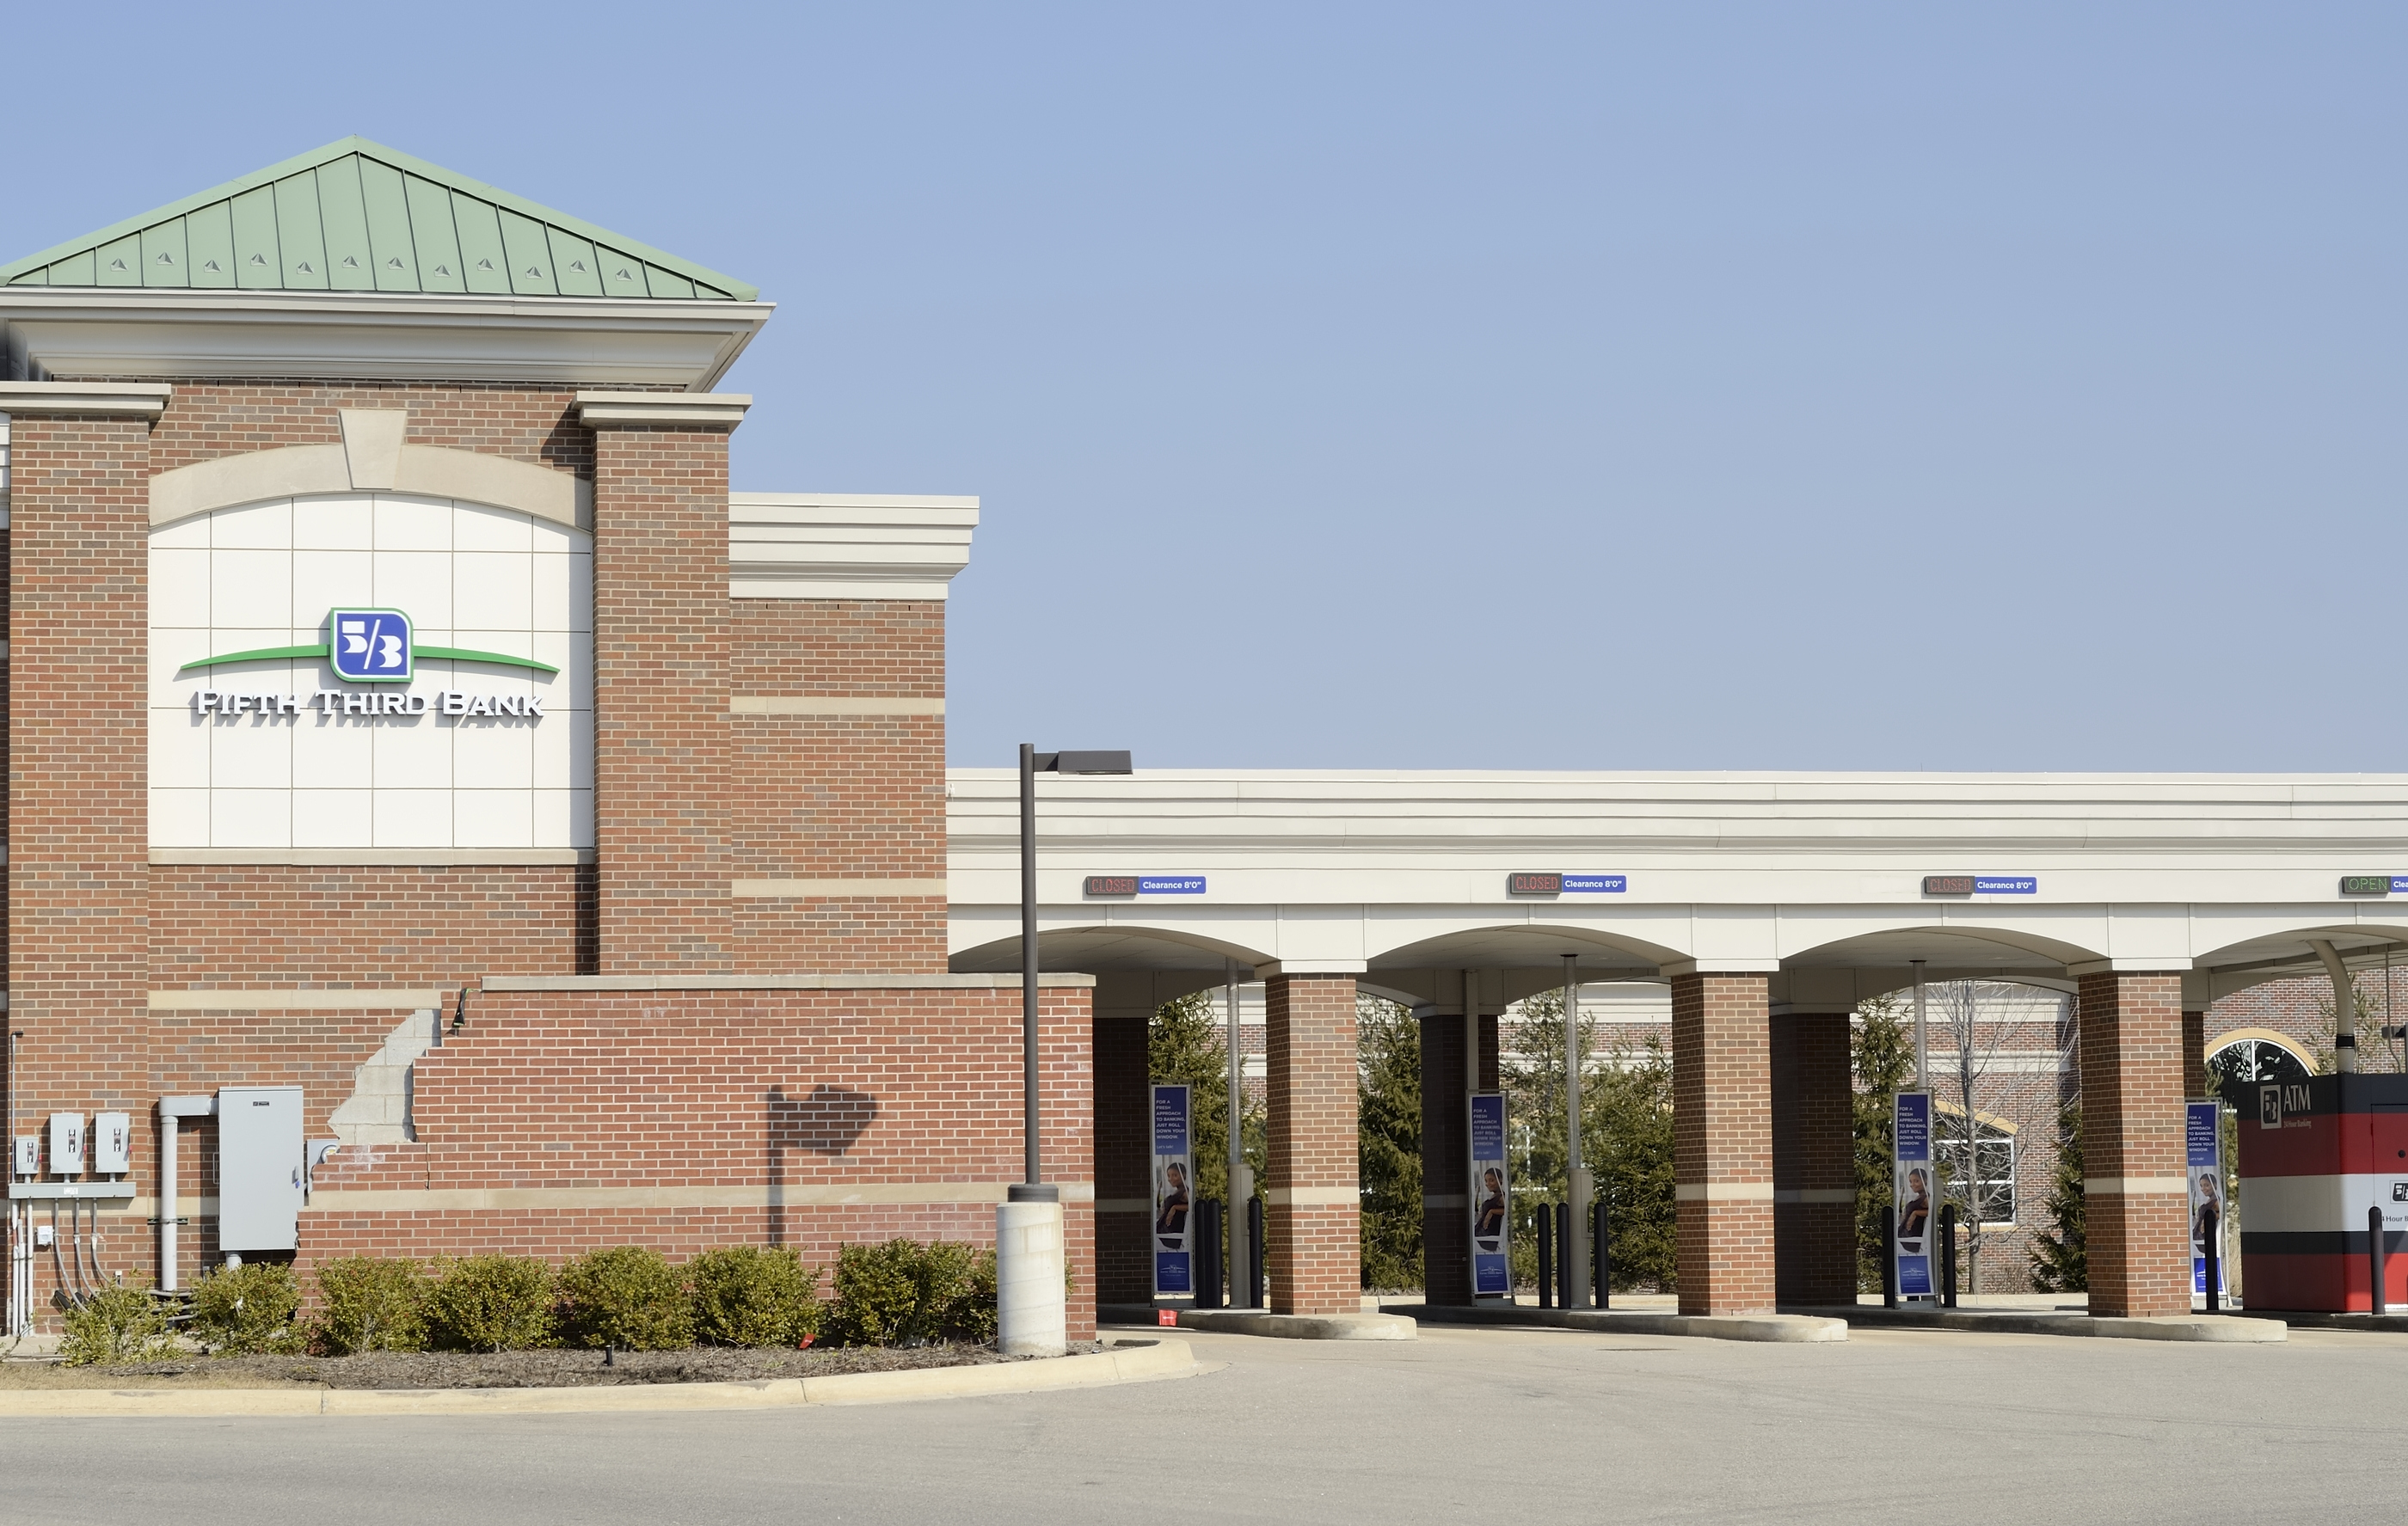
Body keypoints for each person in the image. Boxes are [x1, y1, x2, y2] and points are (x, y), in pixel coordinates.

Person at [1155, 1161, 1190, 1247]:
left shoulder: (1185, 1192)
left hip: (1170, 1236)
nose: (1171, 1179)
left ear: (1183, 1175)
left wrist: (1175, 1208)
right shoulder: (1177, 1191)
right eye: (1169, 1176)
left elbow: (1191, 1206)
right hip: (1163, 1231)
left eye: (1175, 1175)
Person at [1898, 1167, 1931, 1248]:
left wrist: (1915, 1213)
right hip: (1904, 1235)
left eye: (1916, 1181)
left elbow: (1932, 1212)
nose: (1912, 1185)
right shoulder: (1919, 1197)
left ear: (1925, 1180)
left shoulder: (1926, 1198)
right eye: (1911, 1182)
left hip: (1909, 1240)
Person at [1475, 1167, 1507, 1244]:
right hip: (1480, 1234)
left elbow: (1507, 1210)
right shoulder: (1495, 1195)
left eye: (1491, 1180)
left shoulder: (1501, 1197)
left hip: (1486, 1238)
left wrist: (1491, 1212)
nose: (1487, 1184)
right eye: (1486, 1181)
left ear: (1500, 1180)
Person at [2194, 1172, 2222, 1247]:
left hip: (2205, 1239)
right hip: (2198, 1237)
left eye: (2206, 1185)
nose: (2203, 1189)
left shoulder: (2216, 1201)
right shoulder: (2210, 1200)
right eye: (2201, 1186)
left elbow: (2220, 1214)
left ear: (2214, 1184)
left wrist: (2206, 1220)